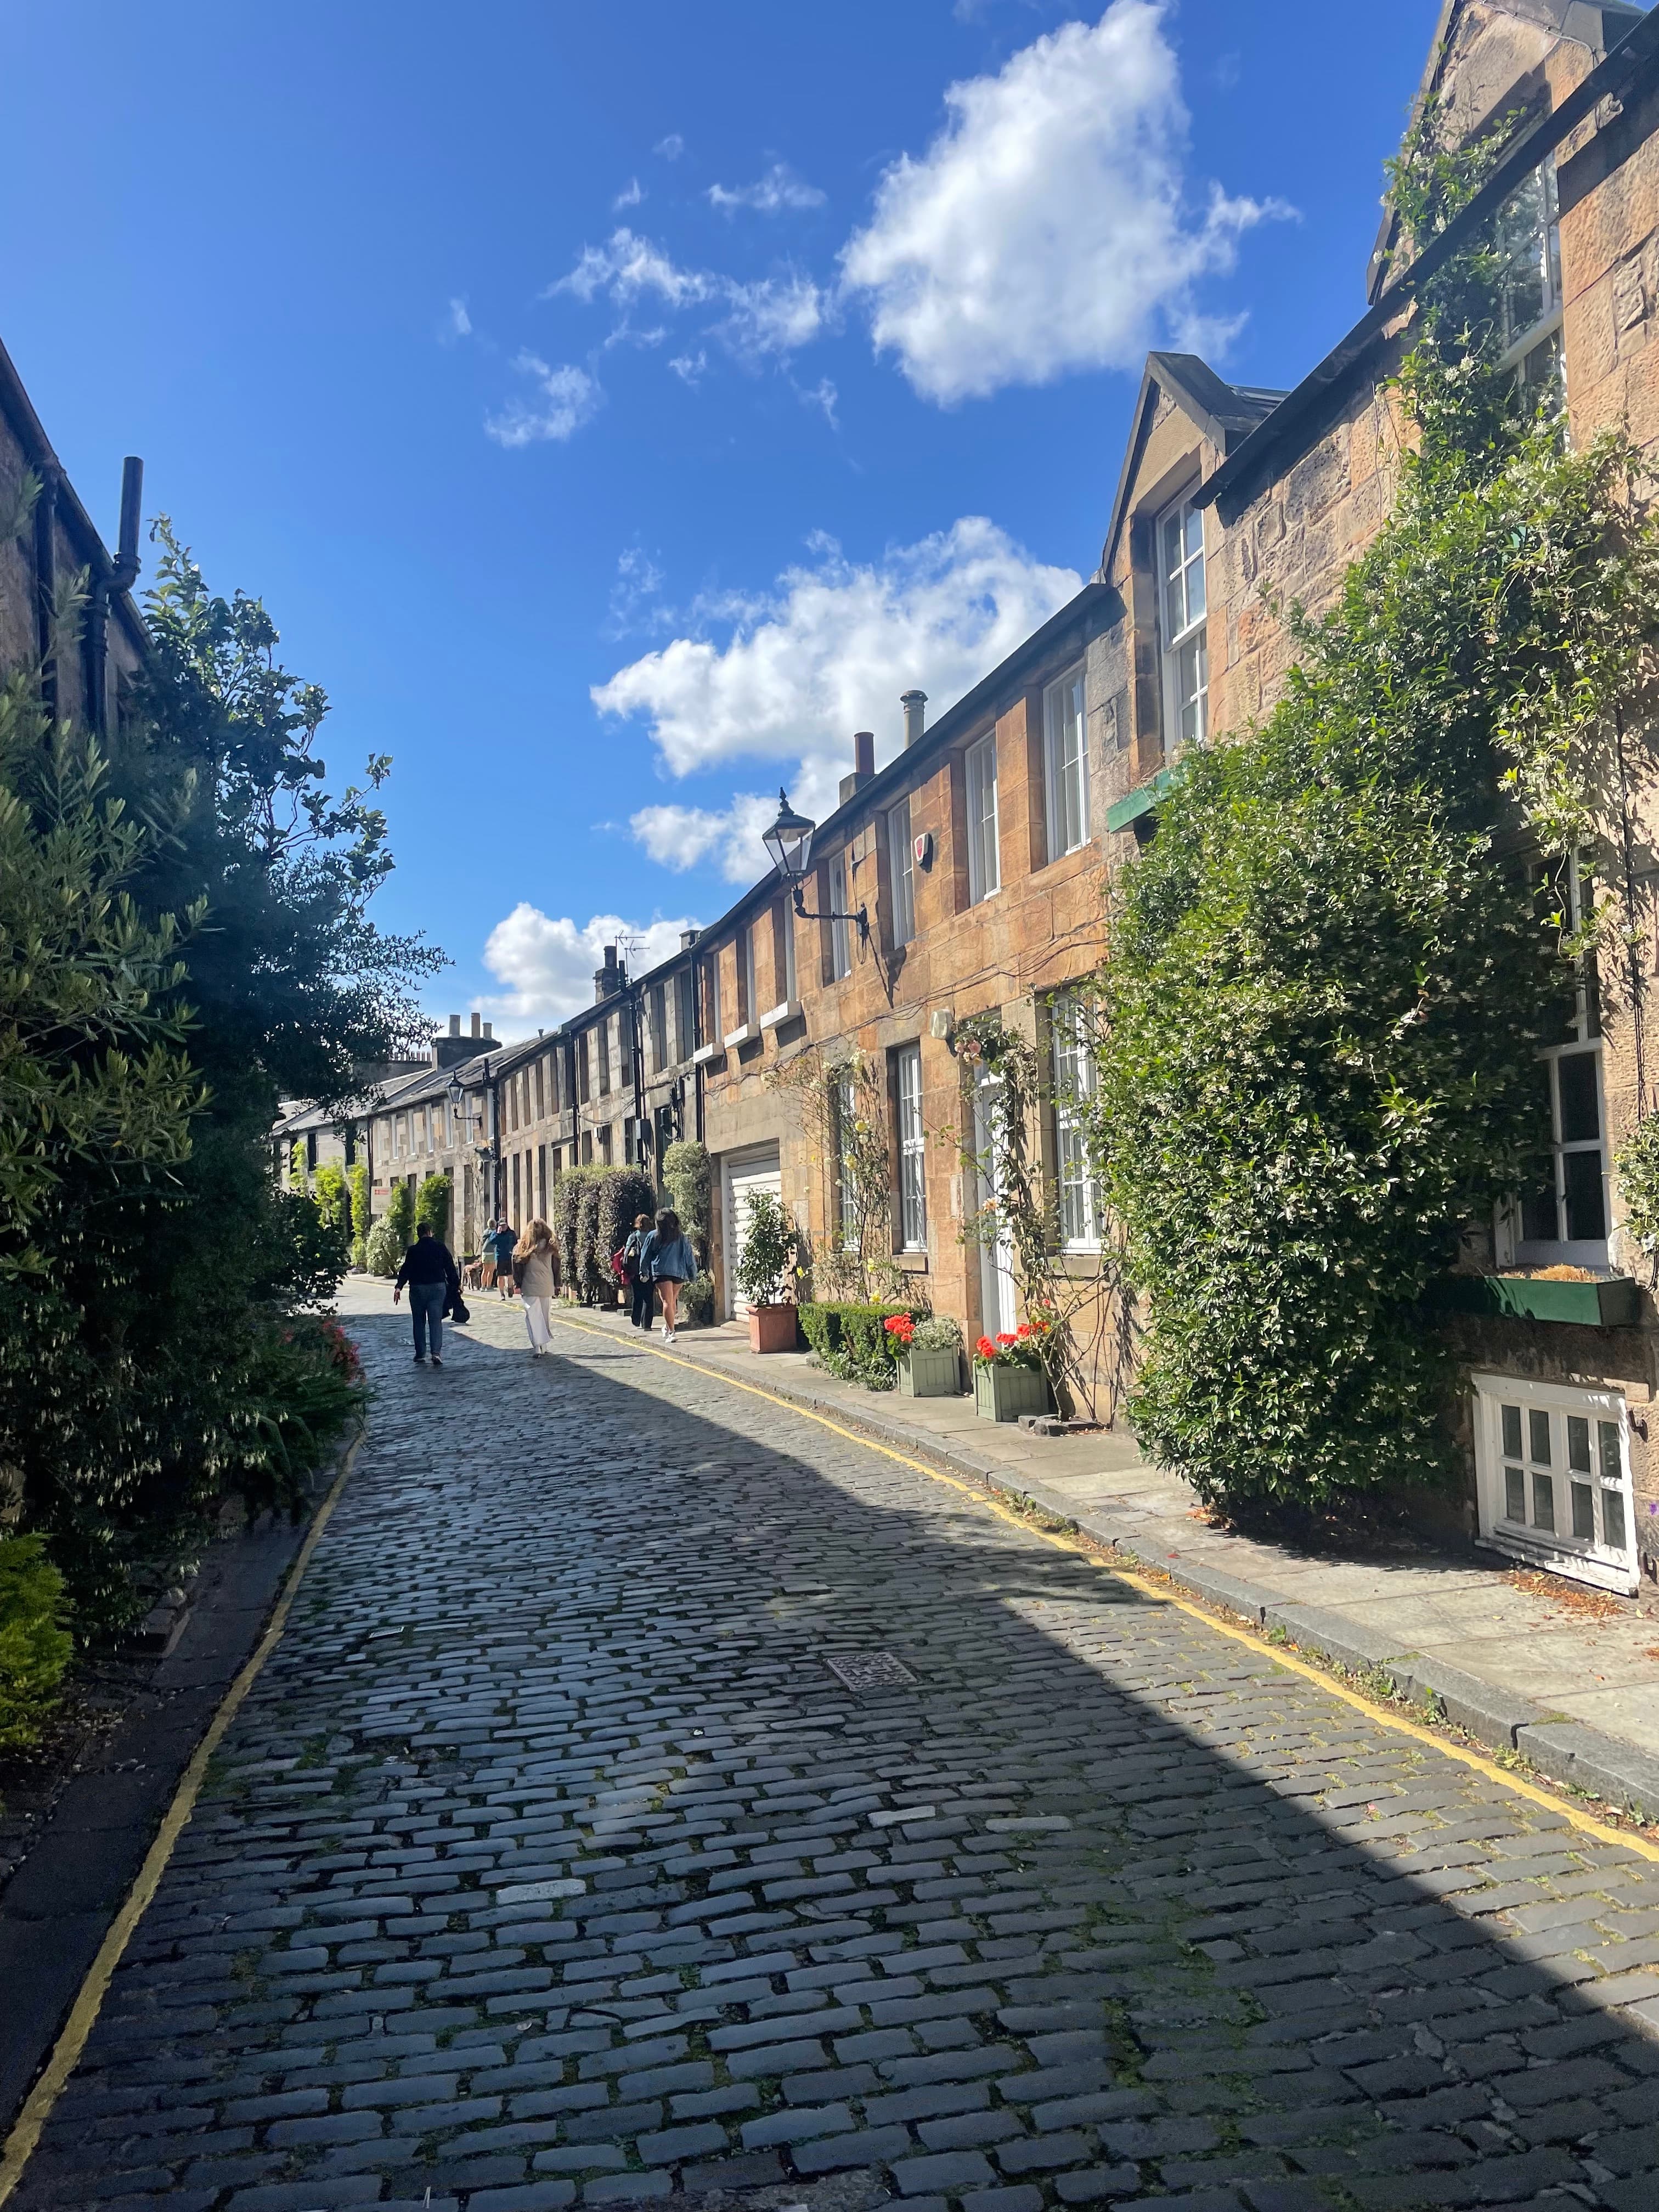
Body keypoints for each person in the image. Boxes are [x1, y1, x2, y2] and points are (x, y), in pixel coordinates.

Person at [393, 1220, 461, 1367]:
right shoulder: (440, 1247)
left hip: (417, 1289)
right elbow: (449, 1267)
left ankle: (420, 1353)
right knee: (435, 1321)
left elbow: (406, 1270)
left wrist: (399, 1287)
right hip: (437, 1288)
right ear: (430, 1232)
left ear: (419, 1234)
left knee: (419, 1321)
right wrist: (456, 1285)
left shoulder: (413, 1250)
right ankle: (436, 1353)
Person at [639, 1207, 695, 1347]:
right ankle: (667, 1327)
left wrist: (643, 1272)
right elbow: (689, 1256)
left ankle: (671, 1332)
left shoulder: (653, 1236)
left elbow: (645, 1255)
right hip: (679, 1272)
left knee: (667, 1302)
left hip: (661, 1271)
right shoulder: (681, 1237)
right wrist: (693, 1273)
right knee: (672, 1302)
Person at [514, 1218, 558, 1356]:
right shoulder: (551, 1246)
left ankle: (537, 1345)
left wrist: (518, 1284)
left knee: (533, 1316)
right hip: (547, 1284)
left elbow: (516, 1267)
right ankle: (544, 1345)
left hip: (529, 1285)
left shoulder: (523, 1246)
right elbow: (557, 1267)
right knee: (544, 1316)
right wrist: (557, 1284)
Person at [623, 1212, 655, 1331]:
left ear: (638, 1224)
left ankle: (636, 1319)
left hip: (635, 1271)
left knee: (637, 1296)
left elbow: (627, 1253)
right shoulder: (653, 1236)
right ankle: (647, 1324)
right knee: (648, 1297)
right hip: (650, 1270)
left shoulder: (633, 1237)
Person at [483, 1215, 517, 1298]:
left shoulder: (511, 1233)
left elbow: (516, 1243)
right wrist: (498, 1234)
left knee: (510, 1274)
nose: (504, 1227)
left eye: (505, 1225)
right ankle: (502, 1294)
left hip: (510, 1257)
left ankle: (510, 1288)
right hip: (500, 1257)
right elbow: (492, 1241)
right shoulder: (496, 1233)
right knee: (501, 1276)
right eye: (502, 1226)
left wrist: (514, 1251)